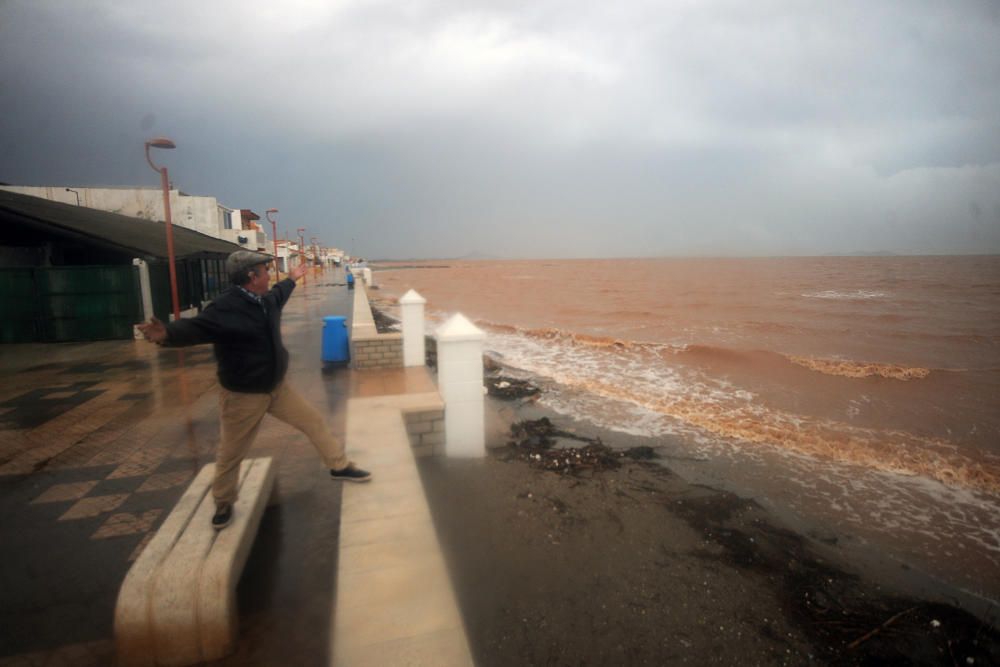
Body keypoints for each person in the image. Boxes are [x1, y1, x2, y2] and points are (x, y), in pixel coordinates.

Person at [137, 250, 371, 530]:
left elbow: (279, 294)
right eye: (265, 270)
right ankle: (223, 502)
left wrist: (293, 279)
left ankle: (339, 465)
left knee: (313, 422)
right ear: (252, 276)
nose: (270, 274)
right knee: (231, 452)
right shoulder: (224, 308)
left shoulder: (264, 300)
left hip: (276, 387)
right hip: (243, 396)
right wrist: (167, 334)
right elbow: (196, 328)